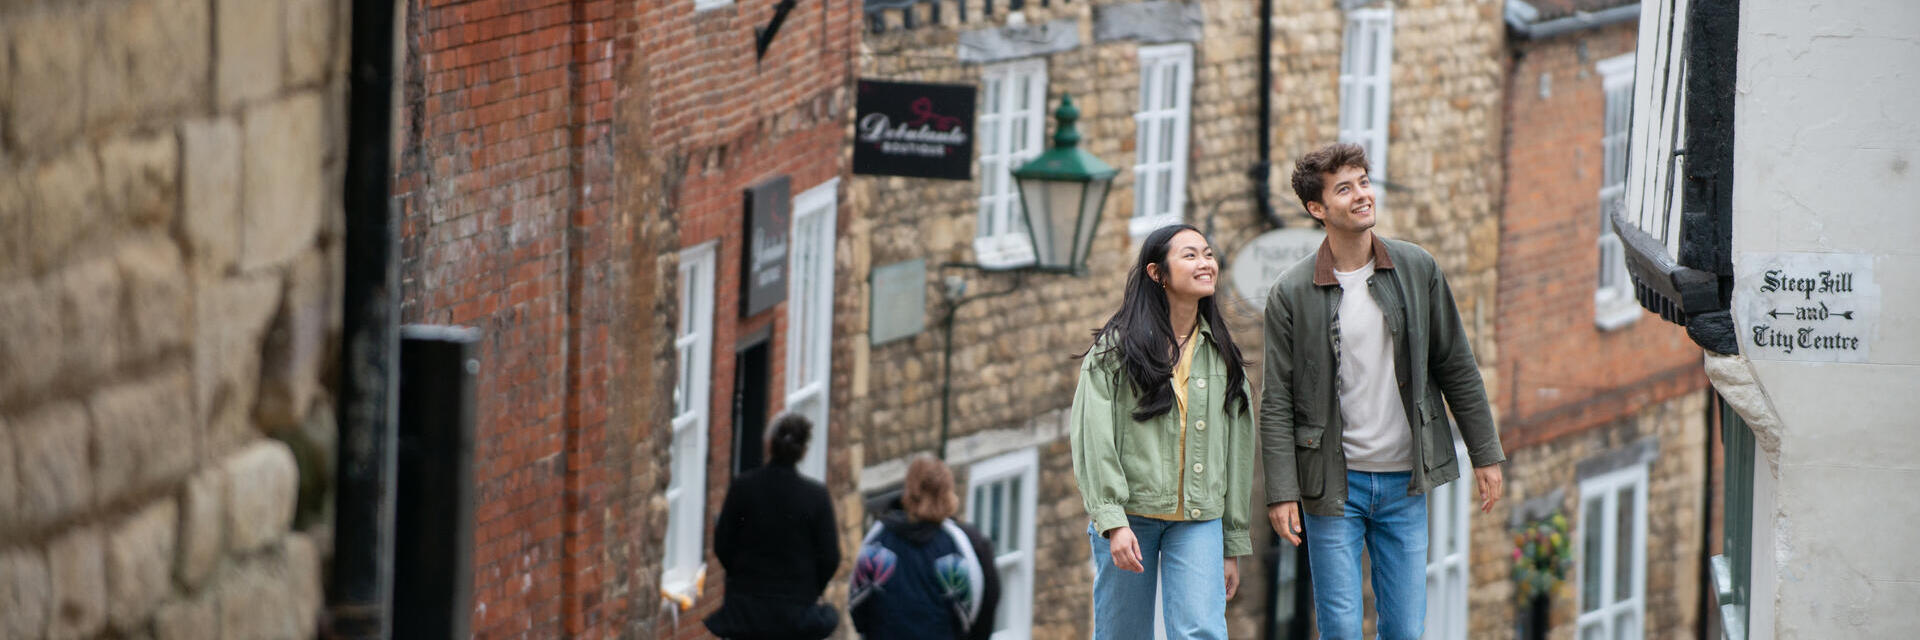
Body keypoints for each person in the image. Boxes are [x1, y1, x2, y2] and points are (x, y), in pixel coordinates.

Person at [1259, 142, 1507, 640]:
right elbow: (1276, 401)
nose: (1362, 195)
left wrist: (1485, 453)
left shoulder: (1418, 269)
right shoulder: (1291, 292)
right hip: (1334, 484)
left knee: (1404, 630)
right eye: (1344, 189)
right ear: (1317, 208)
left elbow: (1456, 365)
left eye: (1364, 182)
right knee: (1341, 629)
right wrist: (1282, 491)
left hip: (1403, 481)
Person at [1068, 223, 1257, 639]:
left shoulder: (1223, 355)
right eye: (1190, 255)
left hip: (1199, 520)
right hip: (1129, 516)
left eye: (1208, 254)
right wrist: (1112, 520)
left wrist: (1231, 543)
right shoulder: (1114, 351)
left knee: (1202, 631)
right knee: (1123, 634)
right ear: (1157, 273)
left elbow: (1238, 453)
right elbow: (1093, 439)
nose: (1205, 263)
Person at [705, 414, 841, 640]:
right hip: (796, 617)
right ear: (803, 451)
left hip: (747, 615)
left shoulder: (743, 488)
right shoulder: (816, 497)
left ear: (768, 444)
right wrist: (808, 589)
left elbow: (723, 545)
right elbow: (830, 558)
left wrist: (742, 577)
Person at [849, 456, 1000, 640]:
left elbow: (857, 605)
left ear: (909, 490)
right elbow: (978, 612)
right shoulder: (962, 544)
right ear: (948, 492)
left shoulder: (880, 539)